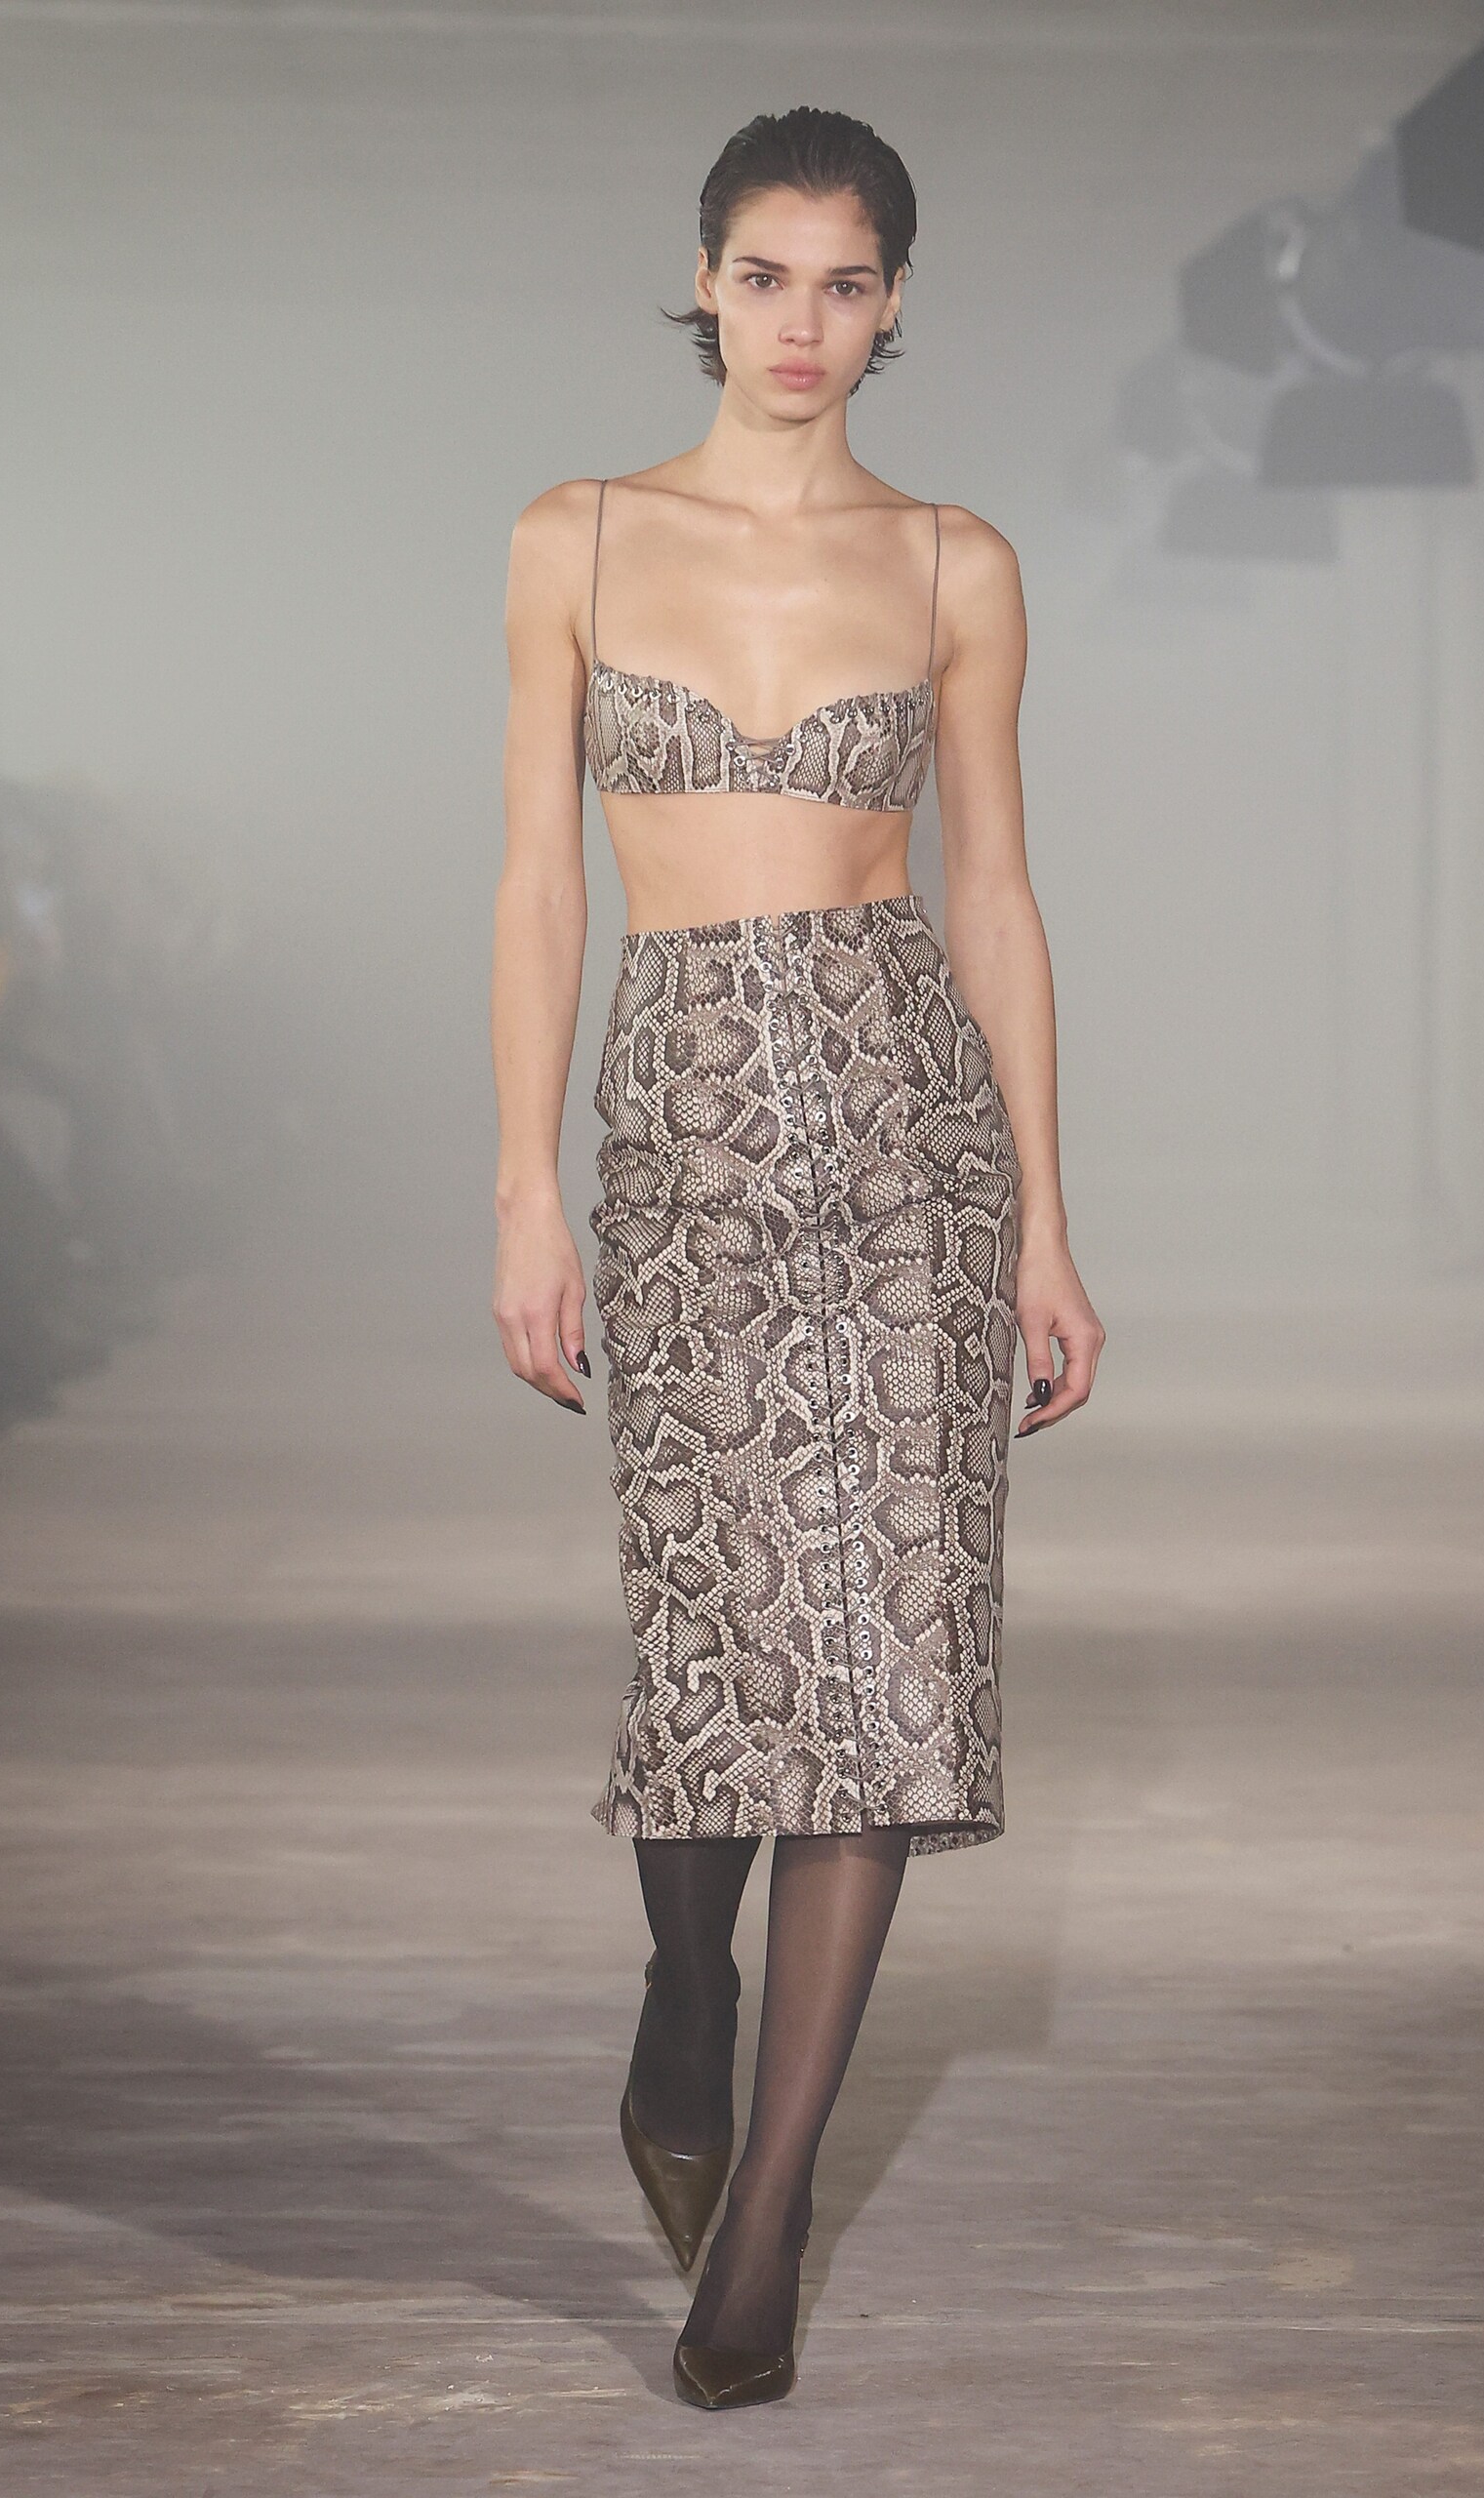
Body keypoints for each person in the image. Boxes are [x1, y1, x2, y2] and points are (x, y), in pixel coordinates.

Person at [491, 106, 1103, 2412]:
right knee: (716, 1621)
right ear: (704, 278)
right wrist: (522, 1182)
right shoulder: (577, 533)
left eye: (846, 283)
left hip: (901, 1123)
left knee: (886, 1650)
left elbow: (996, 891)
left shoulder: (953, 562)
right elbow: (536, 876)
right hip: (677, 1119)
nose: (801, 323)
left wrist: (1045, 1216)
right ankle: (687, 1984)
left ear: (895, 301)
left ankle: (765, 2215)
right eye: (765, 276)